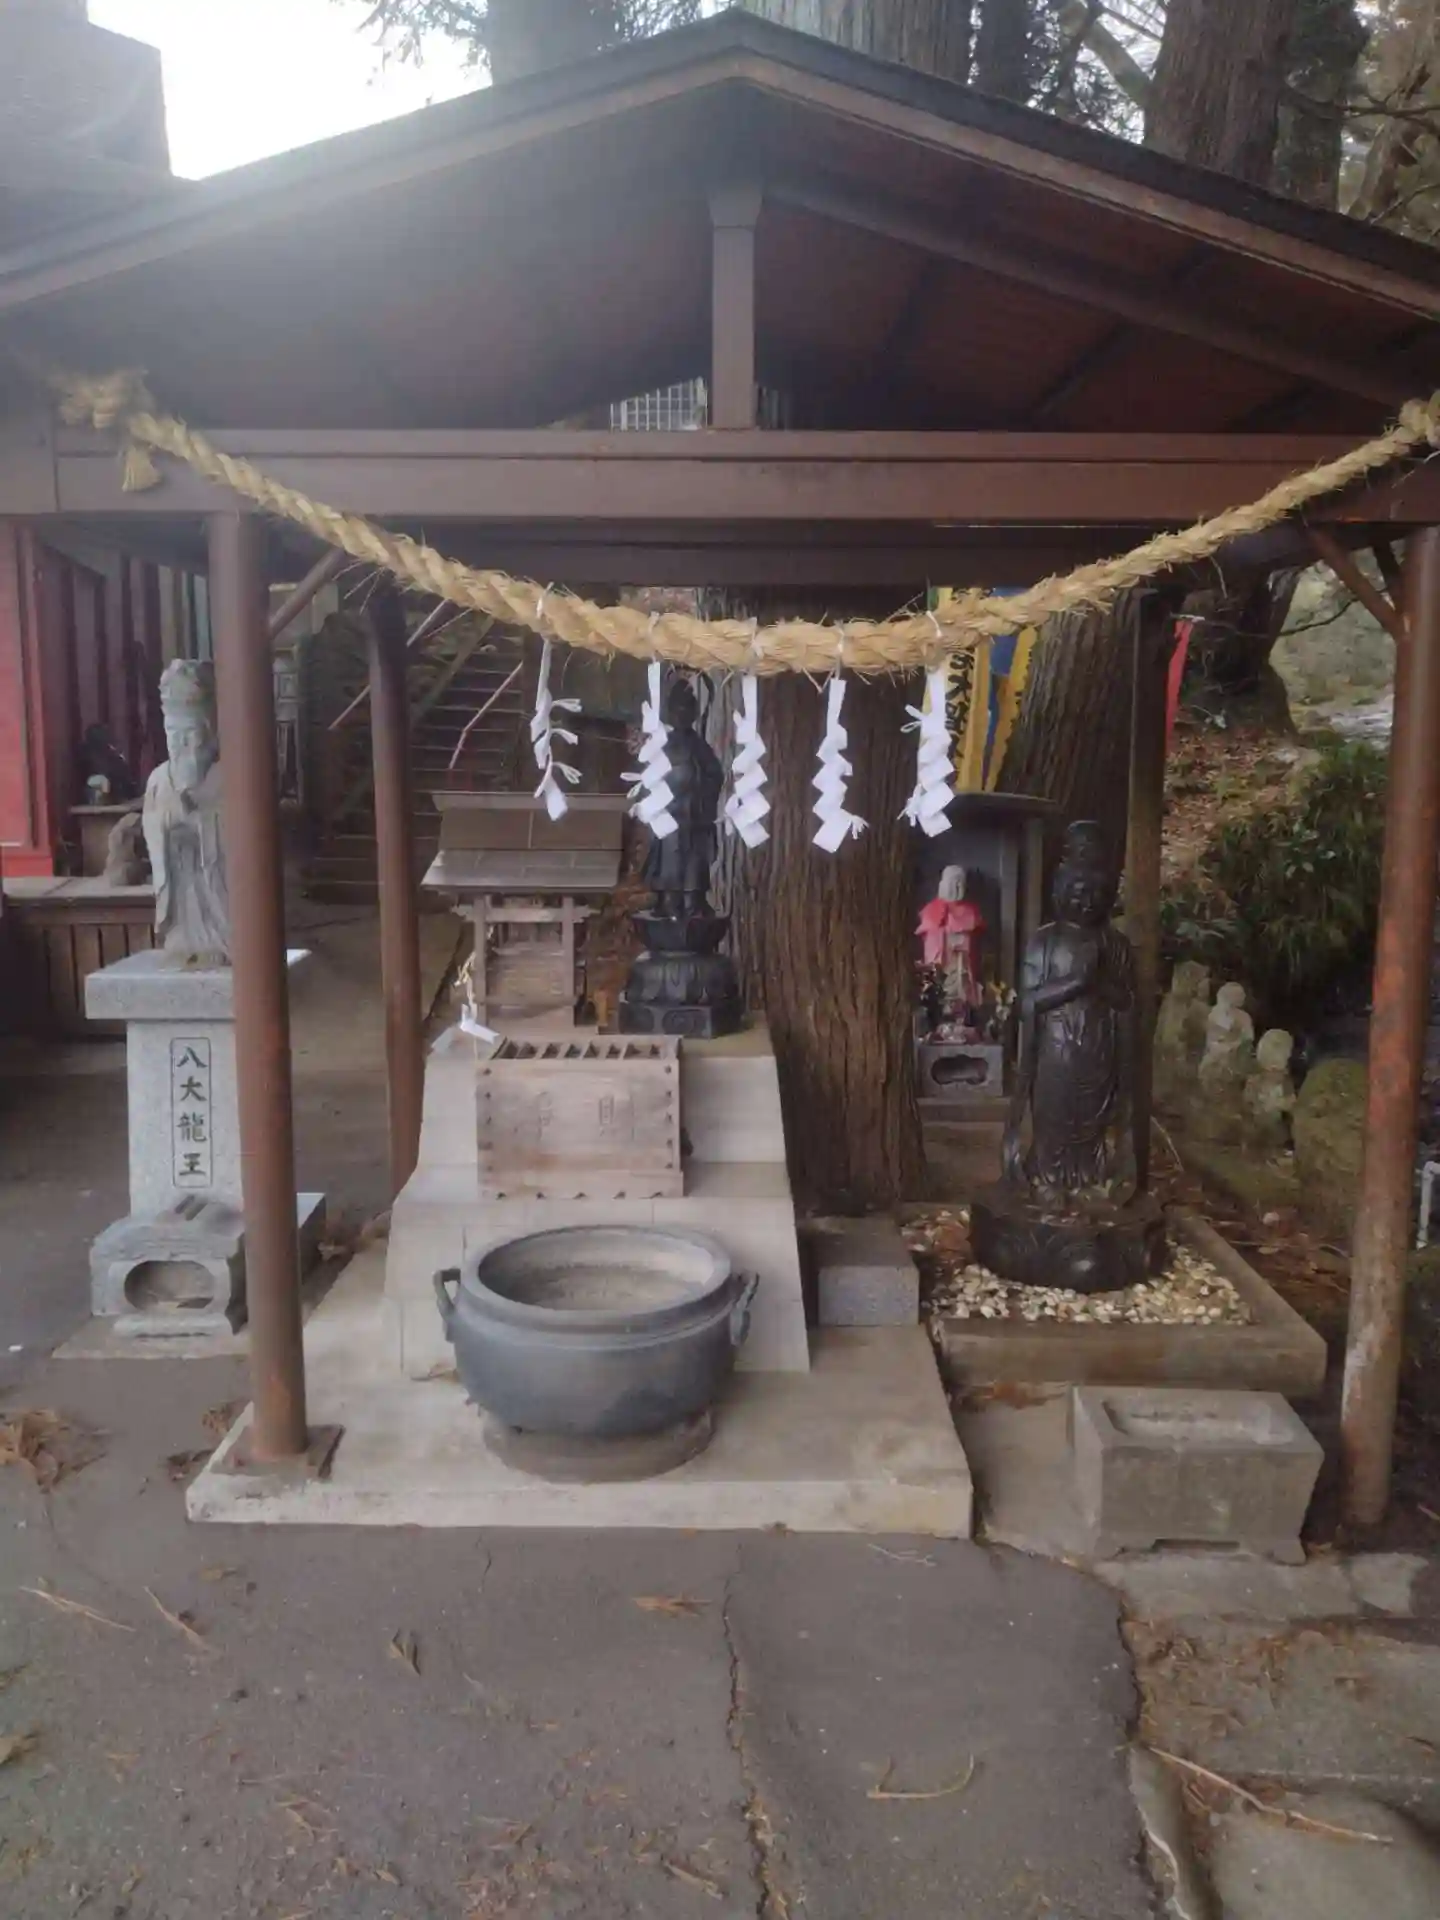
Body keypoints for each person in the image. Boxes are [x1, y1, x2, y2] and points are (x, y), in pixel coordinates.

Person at [1002, 821, 1134, 1201]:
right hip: (1055, 1047)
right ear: (1060, 892)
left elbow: (1126, 1002)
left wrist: (1099, 984)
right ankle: (1049, 1179)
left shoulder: (1116, 944)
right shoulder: (1044, 941)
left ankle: (1089, 1180)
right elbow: (1027, 1002)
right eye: (1077, 893)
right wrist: (1075, 982)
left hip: (1098, 1047)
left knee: (1092, 1120)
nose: (1087, 902)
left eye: (1096, 894)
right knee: (1055, 1114)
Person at [142, 660, 230, 965]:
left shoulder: (228, 777)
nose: (179, 742)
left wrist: (201, 824)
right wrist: (167, 828)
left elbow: (243, 843)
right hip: (180, 881)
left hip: (218, 899)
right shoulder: (158, 780)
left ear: (209, 733)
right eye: (171, 731)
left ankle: (222, 939)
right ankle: (182, 938)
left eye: (190, 733)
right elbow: (152, 829)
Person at [641, 678, 723, 917]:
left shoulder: (701, 747)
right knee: (670, 859)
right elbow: (648, 781)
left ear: (695, 712)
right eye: (677, 709)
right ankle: (668, 899)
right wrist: (667, 799)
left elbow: (715, 775)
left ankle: (693, 899)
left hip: (695, 815)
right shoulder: (662, 746)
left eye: (687, 709)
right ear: (669, 712)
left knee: (695, 862)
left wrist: (701, 794)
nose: (682, 714)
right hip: (670, 815)